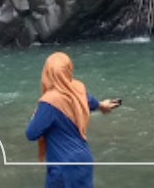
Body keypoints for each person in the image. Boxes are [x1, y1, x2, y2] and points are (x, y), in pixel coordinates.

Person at [25, 51, 120, 188]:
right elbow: (91, 101)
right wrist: (102, 105)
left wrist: (35, 115)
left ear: (47, 73)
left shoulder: (49, 102)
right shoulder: (77, 88)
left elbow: (31, 133)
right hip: (84, 160)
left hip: (63, 167)